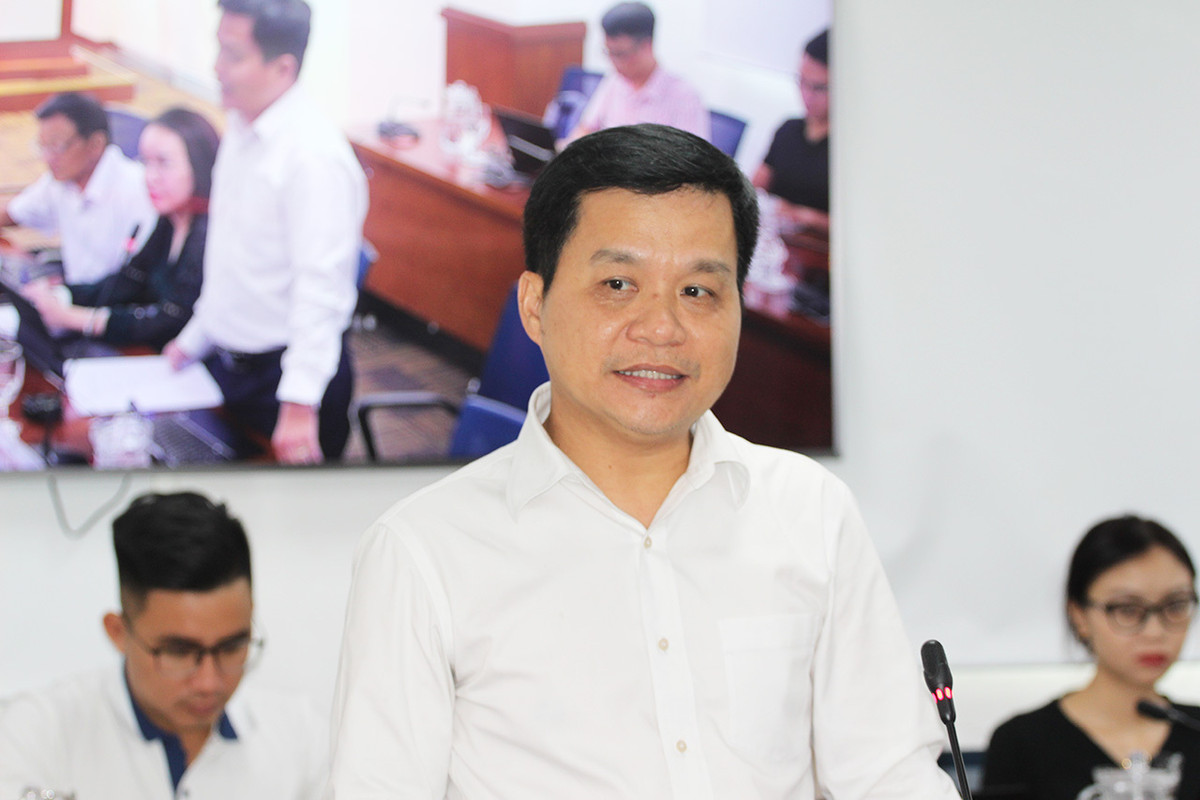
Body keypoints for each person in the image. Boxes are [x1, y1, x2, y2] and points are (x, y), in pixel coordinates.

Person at [328, 123, 960, 799]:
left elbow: (889, 776)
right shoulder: (423, 553)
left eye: (698, 292)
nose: (662, 327)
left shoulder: (809, 510)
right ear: (534, 307)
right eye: (618, 283)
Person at [0, 491, 326, 799]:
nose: (209, 682)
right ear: (118, 632)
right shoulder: (33, 733)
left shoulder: (302, 739)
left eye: (231, 647)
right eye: (179, 653)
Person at [164, 0, 367, 465]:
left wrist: (298, 404)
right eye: (218, 49)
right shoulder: (242, 125)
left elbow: (322, 290)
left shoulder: (314, 158)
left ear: (283, 67)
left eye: (233, 55)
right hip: (228, 364)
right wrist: (194, 339)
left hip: (284, 381)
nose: (217, 67)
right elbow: (234, 258)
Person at [983, 515, 1200, 800]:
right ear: (1079, 615)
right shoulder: (1022, 742)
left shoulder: (1195, 729)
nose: (1155, 631)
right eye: (1127, 609)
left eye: (1175, 605)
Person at [23, 107, 219, 350]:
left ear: (199, 165)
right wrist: (62, 294)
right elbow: (130, 280)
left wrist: (74, 318)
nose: (151, 176)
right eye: (146, 162)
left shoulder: (210, 233)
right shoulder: (170, 219)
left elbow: (171, 319)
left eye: (164, 163)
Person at [0, 91, 156, 284]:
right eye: (42, 146)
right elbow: (14, 212)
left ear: (95, 144)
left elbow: (142, 281)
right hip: (75, 293)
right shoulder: (60, 181)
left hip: (116, 297)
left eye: (56, 146)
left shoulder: (138, 191)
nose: (47, 158)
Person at [568, 2, 710, 143]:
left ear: (646, 45)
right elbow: (586, 128)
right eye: (609, 52)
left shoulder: (684, 98)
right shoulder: (615, 80)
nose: (613, 62)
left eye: (620, 54)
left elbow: (693, 156)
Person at [752, 29, 830, 236]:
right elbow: (754, 189)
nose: (807, 95)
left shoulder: (852, 149)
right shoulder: (788, 130)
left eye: (819, 88)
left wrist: (806, 217)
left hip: (816, 247)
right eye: (802, 82)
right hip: (775, 239)